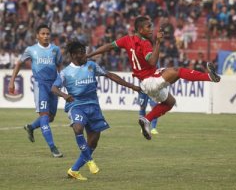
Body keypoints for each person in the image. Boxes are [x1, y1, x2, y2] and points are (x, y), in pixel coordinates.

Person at [87, 16, 221, 140]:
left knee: (170, 102)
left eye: (151, 26)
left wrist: (90, 55)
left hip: (147, 84)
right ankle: (210, 77)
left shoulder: (126, 39)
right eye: (148, 27)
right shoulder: (145, 43)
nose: (151, 30)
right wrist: (158, 42)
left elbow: (109, 46)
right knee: (177, 71)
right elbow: (151, 62)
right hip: (151, 81)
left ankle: (146, 120)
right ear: (140, 29)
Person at [51, 40, 141, 181]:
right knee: (78, 128)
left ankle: (74, 170)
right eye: (81, 53)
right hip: (77, 105)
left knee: (93, 141)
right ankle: (90, 160)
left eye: (85, 52)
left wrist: (132, 86)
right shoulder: (65, 72)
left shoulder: (92, 66)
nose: (85, 55)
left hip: (94, 107)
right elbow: (54, 88)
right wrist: (64, 95)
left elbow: (110, 75)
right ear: (73, 55)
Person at [8, 24, 63, 157]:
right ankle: (53, 148)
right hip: (40, 85)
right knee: (44, 116)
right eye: (43, 34)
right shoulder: (31, 50)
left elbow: (60, 65)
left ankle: (31, 127)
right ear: (37, 36)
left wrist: (61, 81)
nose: (46, 36)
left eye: (48, 34)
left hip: (54, 86)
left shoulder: (55, 50)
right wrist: (11, 80)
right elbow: (19, 63)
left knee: (51, 117)